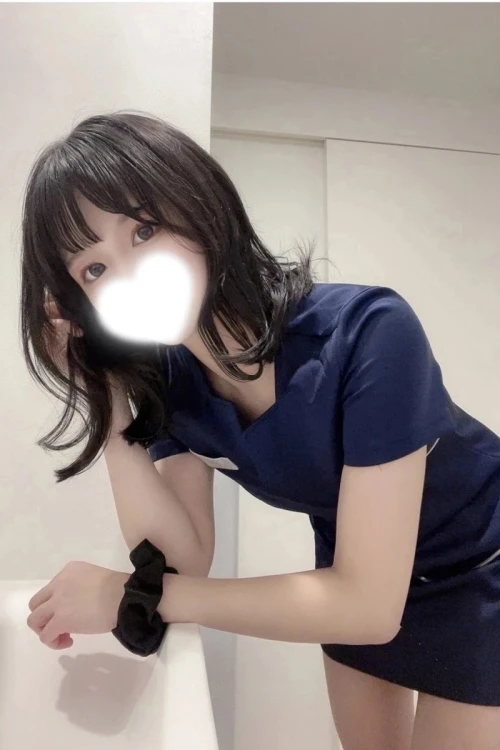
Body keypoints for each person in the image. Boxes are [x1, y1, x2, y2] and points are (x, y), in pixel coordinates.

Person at [21, 111, 500, 750]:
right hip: (351, 567)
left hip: (479, 565)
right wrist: (105, 399)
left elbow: (366, 605)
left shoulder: (370, 332)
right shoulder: (172, 382)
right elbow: (183, 557)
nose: (127, 275)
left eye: (143, 230)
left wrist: (134, 598)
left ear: (198, 202)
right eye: (94, 269)